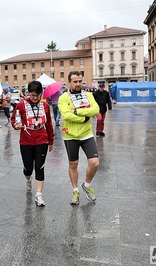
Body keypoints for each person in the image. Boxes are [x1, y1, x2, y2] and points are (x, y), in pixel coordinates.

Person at [58, 70, 100, 205]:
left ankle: (87, 185)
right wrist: (84, 119)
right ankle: (75, 191)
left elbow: (95, 110)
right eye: (75, 81)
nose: (78, 84)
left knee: (95, 162)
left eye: (80, 81)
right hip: (70, 136)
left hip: (86, 134)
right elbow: (66, 115)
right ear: (69, 82)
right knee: (73, 164)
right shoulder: (63, 97)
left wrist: (77, 111)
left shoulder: (88, 95)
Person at [11, 80, 54, 207]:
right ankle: (28, 179)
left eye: (37, 95)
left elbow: (49, 124)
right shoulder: (20, 105)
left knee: (40, 167)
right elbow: (14, 119)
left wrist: (51, 141)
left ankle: (39, 195)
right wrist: (15, 125)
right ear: (28, 93)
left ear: (41, 94)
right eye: (32, 95)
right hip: (26, 140)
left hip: (42, 139)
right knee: (28, 167)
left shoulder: (45, 106)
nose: (34, 98)